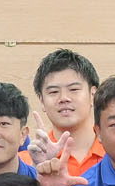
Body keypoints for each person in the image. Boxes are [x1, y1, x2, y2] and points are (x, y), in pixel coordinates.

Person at [30, 49, 106, 179]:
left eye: (74, 89)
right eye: (54, 92)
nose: (64, 98)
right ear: (42, 101)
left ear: (93, 94)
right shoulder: (28, 162)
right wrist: (37, 171)